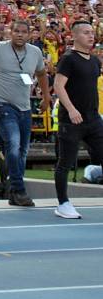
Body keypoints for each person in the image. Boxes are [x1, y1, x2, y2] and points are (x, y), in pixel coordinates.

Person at [0, 20, 51, 208]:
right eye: (16, 31)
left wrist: (46, 98)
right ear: (10, 32)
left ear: (29, 34)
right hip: (1, 104)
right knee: (13, 144)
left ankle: (14, 192)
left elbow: (41, 74)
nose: (20, 35)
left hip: (24, 107)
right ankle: (19, 189)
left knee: (22, 150)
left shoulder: (35, 52)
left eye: (24, 32)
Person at [52, 21, 103, 219]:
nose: (91, 36)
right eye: (85, 33)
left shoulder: (94, 61)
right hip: (71, 121)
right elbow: (58, 86)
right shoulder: (68, 59)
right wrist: (71, 109)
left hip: (93, 120)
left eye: (92, 32)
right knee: (65, 162)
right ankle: (63, 204)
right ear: (75, 36)